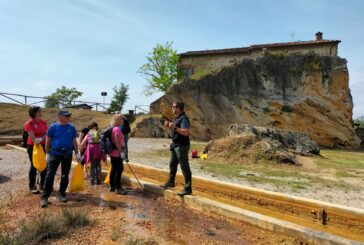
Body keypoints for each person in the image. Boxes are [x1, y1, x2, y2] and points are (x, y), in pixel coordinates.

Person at [40, 110, 81, 208]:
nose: (67, 118)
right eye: (66, 116)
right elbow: (48, 141)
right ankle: (45, 197)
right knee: (50, 175)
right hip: (54, 154)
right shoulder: (53, 127)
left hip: (67, 154)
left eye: (68, 116)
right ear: (60, 117)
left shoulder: (71, 127)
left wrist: (77, 153)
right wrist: (47, 154)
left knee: (65, 175)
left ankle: (62, 193)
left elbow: (74, 141)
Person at [160, 101, 192, 196]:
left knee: (184, 166)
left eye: (174, 107)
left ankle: (188, 188)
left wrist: (174, 127)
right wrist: (170, 126)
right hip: (176, 145)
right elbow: (176, 129)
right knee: (172, 164)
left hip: (182, 146)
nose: (172, 108)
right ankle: (171, 182)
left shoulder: (183, 119)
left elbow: (186, 132)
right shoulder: (177, 118)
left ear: (179, 108)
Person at [23, 106, 48, 194]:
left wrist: (42, 138)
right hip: (33, 146)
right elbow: (32, 136)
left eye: (40, 111)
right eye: (39, 111)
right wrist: (35, 140)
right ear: (34, 113)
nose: (40, 112)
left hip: (43, 145)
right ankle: (32, 186)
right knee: (34, 165)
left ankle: (42, 185)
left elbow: (46, 133)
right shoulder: (29, 123)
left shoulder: (43, 122)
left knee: (44, 165)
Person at [109, 114, 127, 195]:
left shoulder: (113, 128)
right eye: (122, 119)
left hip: (113, 152)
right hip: (117, 153)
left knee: (114, 169)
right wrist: (121, 152)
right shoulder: (117, 129)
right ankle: (118, 188)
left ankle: (112, 187)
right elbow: (117, 142)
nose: (123, 121)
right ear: (118, 120)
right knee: (119, 169)